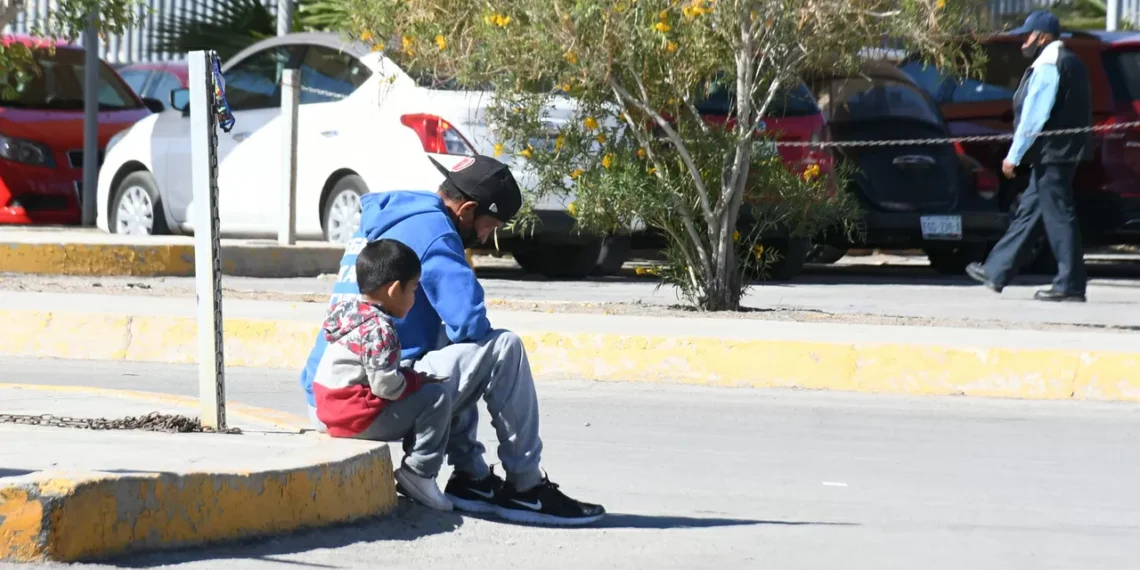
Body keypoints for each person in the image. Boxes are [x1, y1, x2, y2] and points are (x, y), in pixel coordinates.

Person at [300, 155, 606, 526]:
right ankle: (526, 489)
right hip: (365, 399)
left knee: (448, 342)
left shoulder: (391, 217)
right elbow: (471, 322)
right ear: (468, 210)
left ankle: (473, 479)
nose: (484, 238)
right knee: (502, 348)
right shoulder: (436, 231)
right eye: (489, 227)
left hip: (323, 393)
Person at [311, 238, 454, 511]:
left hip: (331, 411)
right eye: (413, 289)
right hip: (354, 417)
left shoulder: (352, 314)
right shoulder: (380, 329)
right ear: (394, 290)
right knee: (436, 397)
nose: (414, 298)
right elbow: (386, 387)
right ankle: (420, 473)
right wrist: (415, 380)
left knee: (418, 387)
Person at [966, 10, 1091, 303]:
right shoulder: (1072, 61)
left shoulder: (1048, 64)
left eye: (1028, 35)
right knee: (1030, 213)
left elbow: (1034, 117)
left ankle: (1070, 283)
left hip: (1052, 153)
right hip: (1062, 152)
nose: (1024, 41)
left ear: (1042, 37)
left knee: (1059, 216)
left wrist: (1014, 156)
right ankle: (997, 270)